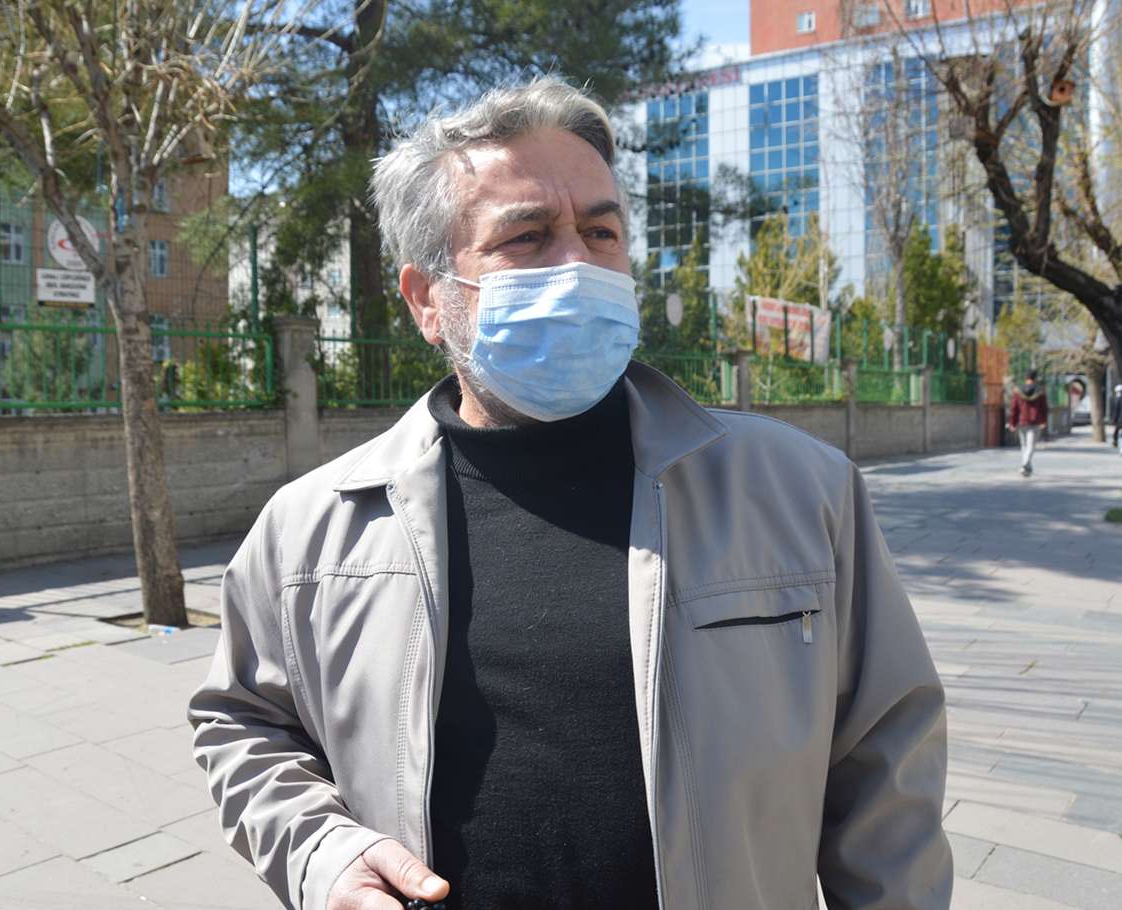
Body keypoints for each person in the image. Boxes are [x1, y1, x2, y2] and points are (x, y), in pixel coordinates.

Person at [190, 77, 952, 910]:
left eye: (601, 231)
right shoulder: (311, 530)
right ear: (426, 300)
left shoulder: (801, 492)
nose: (579, 265)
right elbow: (243, 723)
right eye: (527, 236)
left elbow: (888, 770)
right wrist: (319, 851)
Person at [1008, 370, 1049, 477]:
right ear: (1035, 378)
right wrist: (1044, 421)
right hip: (1035, 421)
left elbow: (1014, 408)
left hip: (1021, 421)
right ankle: (1025, 465)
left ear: (1025, 378)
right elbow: (1044, 408)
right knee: (1030, 446)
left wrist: (1012, 423)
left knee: (1024, 445)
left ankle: (1027, 468)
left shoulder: (1017, 391)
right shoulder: (1040, 391)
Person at [1111, 383, 1122, 451]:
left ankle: (1115, 442)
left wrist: (1114, 420)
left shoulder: (1118, 399)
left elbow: (1116, 410)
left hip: (1120, 420)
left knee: (1116, 432)